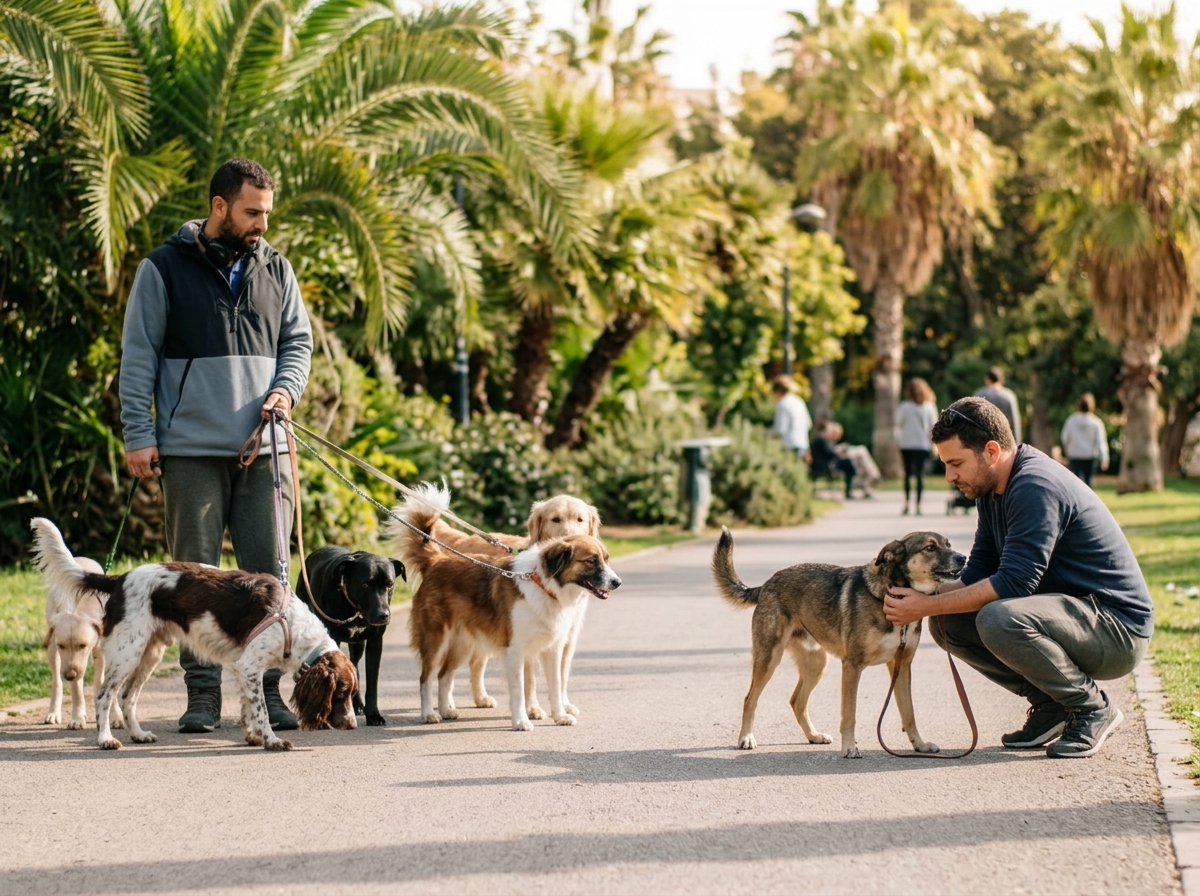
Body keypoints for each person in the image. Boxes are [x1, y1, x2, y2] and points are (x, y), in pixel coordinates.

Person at [119, 158, 314, 734]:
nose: (262, 223)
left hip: (266, 450)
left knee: (269, 577)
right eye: (253, 212)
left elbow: (297, 342)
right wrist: (139, 434)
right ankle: (201, 696)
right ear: (219, 206)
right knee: (193, 582)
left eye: (267, 213)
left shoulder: (277, 268)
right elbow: (138, 357)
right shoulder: (161, 268)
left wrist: (284, 391)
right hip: (189, 449)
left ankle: (269, 695)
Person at [883, 397, 1152, 759]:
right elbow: (978, 574)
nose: (950, 476)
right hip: (1074, 618)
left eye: (956, 463)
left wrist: (925, 606)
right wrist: (915, 599)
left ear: (991, 451)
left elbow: (1013, 584)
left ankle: (1091, 708)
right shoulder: (991, 491)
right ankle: (1052, 704)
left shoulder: (1034, 486)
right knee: (949, 620)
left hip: (1117, 629)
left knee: (998, 618)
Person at [896, 377, 939, 515]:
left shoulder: (904, 407)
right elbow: (935, 426)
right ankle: (919, 505)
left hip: (907, 443)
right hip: (923, 444)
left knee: (908, 474)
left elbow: (898, 424)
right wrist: (935, 445)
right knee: (920, 475)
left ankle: (907, 503)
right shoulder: (929, 407)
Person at [1060, 393, 1109, 487]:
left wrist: (1067, 450)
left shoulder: (1071, 420)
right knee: (1089, 481)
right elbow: (1100, 441)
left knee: (1076, 482)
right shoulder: (1096, 422)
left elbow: (1064, 438)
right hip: (1090, 456)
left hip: (1075, 455)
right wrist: (1104, 458)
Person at [810, 420, 865, 499]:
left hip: (826, 465)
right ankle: (849, 491)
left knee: (850, 463)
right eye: (829, 430)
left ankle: (852, 489)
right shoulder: (820, 440)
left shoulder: (823, 440)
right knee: (849, 464)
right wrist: (838, 450)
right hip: (824, 466)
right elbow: (829, 454)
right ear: (823, 430)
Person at [975, 366, 1022, 444]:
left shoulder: (979, 395)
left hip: (983, 440)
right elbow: (1014, 421)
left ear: (987, 379)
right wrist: (1017, 443)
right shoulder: (1009, 396)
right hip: (1004, 439)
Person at [771, 376, 812, 457]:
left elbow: (780, 429)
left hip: (789, 446)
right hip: (803, 445)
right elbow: (808, 424)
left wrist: (766, 434)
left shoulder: (782, 403)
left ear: (778, 391)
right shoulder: (799, 401)